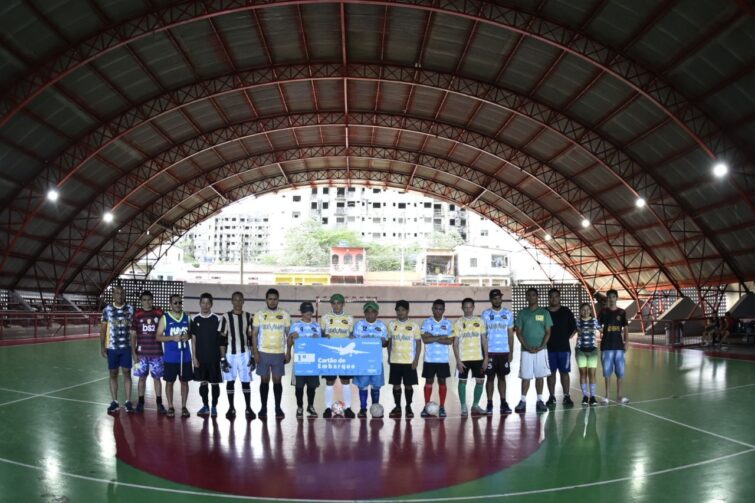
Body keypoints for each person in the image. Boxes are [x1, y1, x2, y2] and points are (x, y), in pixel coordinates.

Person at [252, 288, 291, 419]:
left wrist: (288, 352)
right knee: (264, 380)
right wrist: (255, 352)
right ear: (266, 300)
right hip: (263, 352)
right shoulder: (260, 314)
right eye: (270, 299)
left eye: (275, 299)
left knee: (277, 381)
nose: (272, 301)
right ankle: (263, 408)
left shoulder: (284, 314)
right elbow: (254, 334)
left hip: (279, 352)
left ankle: (278, 408)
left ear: (278, 300)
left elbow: (288, 335)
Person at [514, 288, 552, 414]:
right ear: (526, 297)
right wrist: (527, 346)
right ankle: (522, 401)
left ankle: (540, 400)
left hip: (541, 350)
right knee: (526, 376)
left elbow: (548, 332)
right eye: (529, 295)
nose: (531, 297)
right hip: (526, 351)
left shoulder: (544, 313)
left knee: (540, 376)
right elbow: (518, 332)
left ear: (537, 297)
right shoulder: (522, 313)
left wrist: (541, 346)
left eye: (533, 295)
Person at [155, 294, 193, 418]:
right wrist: (172, 338)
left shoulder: (187, 318)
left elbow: (192, 334)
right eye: (175, 303)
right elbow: (158, 336)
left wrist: (189, 336)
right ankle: (170, 406)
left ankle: (183, 406)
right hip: (170, 358)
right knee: (170, 383)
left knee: (184, 382)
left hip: (185, 357)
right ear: (170, 304)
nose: (177, 305)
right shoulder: (165, 318)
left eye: (179, 302)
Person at [129, 290, 166, 414]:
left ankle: (159, 404)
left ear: (152, 300)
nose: (147, 302)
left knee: (157, 379)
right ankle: (140, 403)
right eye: (144, 300)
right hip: (141, 355)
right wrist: (134, 355)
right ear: (141, 301)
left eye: (149, 299)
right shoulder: (137, 314)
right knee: (141, 378)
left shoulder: (159, 313)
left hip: (157, 353)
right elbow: (133, 335)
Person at [101, 285, 136, 414]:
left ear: (124, 294)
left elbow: (135, 329)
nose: (119, 296)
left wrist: (135, 347)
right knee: (113, 373)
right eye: (117, 293)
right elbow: (103, 330)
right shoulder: (107, 310)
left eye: (122, 293)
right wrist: (102, 347)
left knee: (127, 372)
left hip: (126, 348)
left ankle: (128, 401)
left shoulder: (131, 309)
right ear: (113, 295)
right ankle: (114, 402)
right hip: (112, 348)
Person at [220, 291, 255, 420]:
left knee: (246, 382)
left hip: (245, 354)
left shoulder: (248, 317)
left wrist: (252, 356)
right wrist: (223, 359)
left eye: (240, 300)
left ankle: (248, 408)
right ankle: (231, 408)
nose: (238, 302)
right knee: (230, 382)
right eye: (235, 300)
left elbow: (251, 338)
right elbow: (222, 339)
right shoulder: (225, 317)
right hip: (230, 354)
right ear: (232, 301)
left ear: (243, 301)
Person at [320, 293, 356, 419]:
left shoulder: (349, 318)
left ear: (343, 304)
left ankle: (348, 408)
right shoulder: (325, 318)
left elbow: (352, 334)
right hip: (329, 354)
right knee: (330, 382)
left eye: (339, 303)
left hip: (344, 355)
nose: (336, 306)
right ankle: (328, 408)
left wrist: (352, 337)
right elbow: (321, 335)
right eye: (333, 303)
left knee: (346, 381)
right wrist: (324, 336)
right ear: (331, 304)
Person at [452, 298, 489, 417]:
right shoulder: (458, 323)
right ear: (462, 308)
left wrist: (486, 358)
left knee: (480, 381)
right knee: (462, 382)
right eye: (465, 307)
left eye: (470, 307)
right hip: (463, 359)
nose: (468, 309)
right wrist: (458, 360)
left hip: (478, 358)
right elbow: (455, 343)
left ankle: (475, 405)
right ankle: (463, 406)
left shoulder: (480, 321)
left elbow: (484, 340)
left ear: (473, 307)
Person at [190, 292, 225, 418]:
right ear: (199, 303)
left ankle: (214, 406)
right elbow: (193, 340)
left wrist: (222, 358)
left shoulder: (217, 319)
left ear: (211, 304)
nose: (205, 305)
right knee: (203, 383)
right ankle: (205, 406)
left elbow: (221, 341)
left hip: (214, 358)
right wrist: (194, 357)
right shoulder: (194, 319)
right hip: (200, 358)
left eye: (208, 303)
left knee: (215, 384)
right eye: (203, 303)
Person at [353, 301, 389, 418]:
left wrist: (384, 342)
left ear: (377, 313)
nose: (370, 315)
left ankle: (375, 407)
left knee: (375, 386)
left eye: (372, 312)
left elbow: (386, 343)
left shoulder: (382, 326)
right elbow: (354, 342)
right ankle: (363, 409)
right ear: (364, 313)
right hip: (362, 361)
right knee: (362, 386)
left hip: (376, 361)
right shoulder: (359, 325)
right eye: (367, 312)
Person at [481, 289, 514, 415]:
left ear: (501, 298)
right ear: (491, 300)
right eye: (494, 298)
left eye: (499, 298)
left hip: (504, 352)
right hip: (490, 351)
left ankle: (503, 403)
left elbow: (510, 334)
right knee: (490, 378)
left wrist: (511, 352)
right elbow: (483, 335)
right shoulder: (485, 314)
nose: (497, 300)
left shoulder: (508, 313)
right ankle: (489, 403)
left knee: (502, 377)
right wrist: (484, 354)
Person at [387, 300, 422, 418]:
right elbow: (390, 342)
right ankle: (397, 406)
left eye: (403, 310)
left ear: (407, 311)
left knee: (408, 385)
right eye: (398, 310)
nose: (400, 312)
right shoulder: (392, 324)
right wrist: (389, 356)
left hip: (409, 361)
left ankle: (408, 406)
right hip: (395, 360)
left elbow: (418, 343)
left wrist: (416, 359)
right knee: (396, 385)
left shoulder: (414, 325)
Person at [420, 299, 454, 418]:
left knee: (442, 382)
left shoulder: (448, 323)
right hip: (429, 359)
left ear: (443, 310)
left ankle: (442, 406)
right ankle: (426, 405)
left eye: (440, 309)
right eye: (436, 308)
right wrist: (441, 337)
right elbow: (425, 340)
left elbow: (450, 341)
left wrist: (433, 337)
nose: (438, 311)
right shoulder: (427, 322)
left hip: (443, 360)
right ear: (432, 309)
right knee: (428, 382)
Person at [288, 301, 322, 418]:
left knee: (312, 387)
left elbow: (321, 344)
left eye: (310, 311)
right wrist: (292, 338)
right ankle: (300, 406)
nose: (308, 313)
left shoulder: (316, 326)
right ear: (301, 312)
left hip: (313, 361)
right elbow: (289, 342)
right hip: (300, 361)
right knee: (299, 387)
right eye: (305, 311)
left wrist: (318, 339)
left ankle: (310, 406)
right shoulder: (296, 326)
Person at [545, 288, 577, 408]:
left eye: (556, 296)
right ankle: (551, 396)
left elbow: (573, 328)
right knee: (550, 373)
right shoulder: (544, 312)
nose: (554, 299)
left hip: (564, 349)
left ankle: (566, 396)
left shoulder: (566, 311)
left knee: (564, 373)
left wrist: (565, 338)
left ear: (559, 298)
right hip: (548, 349)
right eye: (551, 296)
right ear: (548, 298)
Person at [598, 289, 629, 404]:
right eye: (609, 297)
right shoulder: (603, 312)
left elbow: (625, 328)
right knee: (607, 373)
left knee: (620, 373)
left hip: (619, 347)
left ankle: (620, 396)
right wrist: (600, 329)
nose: (611, 299)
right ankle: (606, 396)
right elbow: (597, 324)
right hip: (606, 346)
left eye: (613, 297)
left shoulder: (622, 312)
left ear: (617, 298)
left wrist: (627, 342)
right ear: (607, 299)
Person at [575, 303, 600, 406]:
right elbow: (577, 331)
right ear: (580, 311)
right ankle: (585, 396)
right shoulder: (577, 321)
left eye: (587, 309)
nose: (585, 311)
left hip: (593, 350)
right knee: (583, 374)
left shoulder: (595, 321)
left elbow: (601, 329)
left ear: (590, 311)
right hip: (580, 350)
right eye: (583, 310)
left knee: (592, 374)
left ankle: (593, 397)